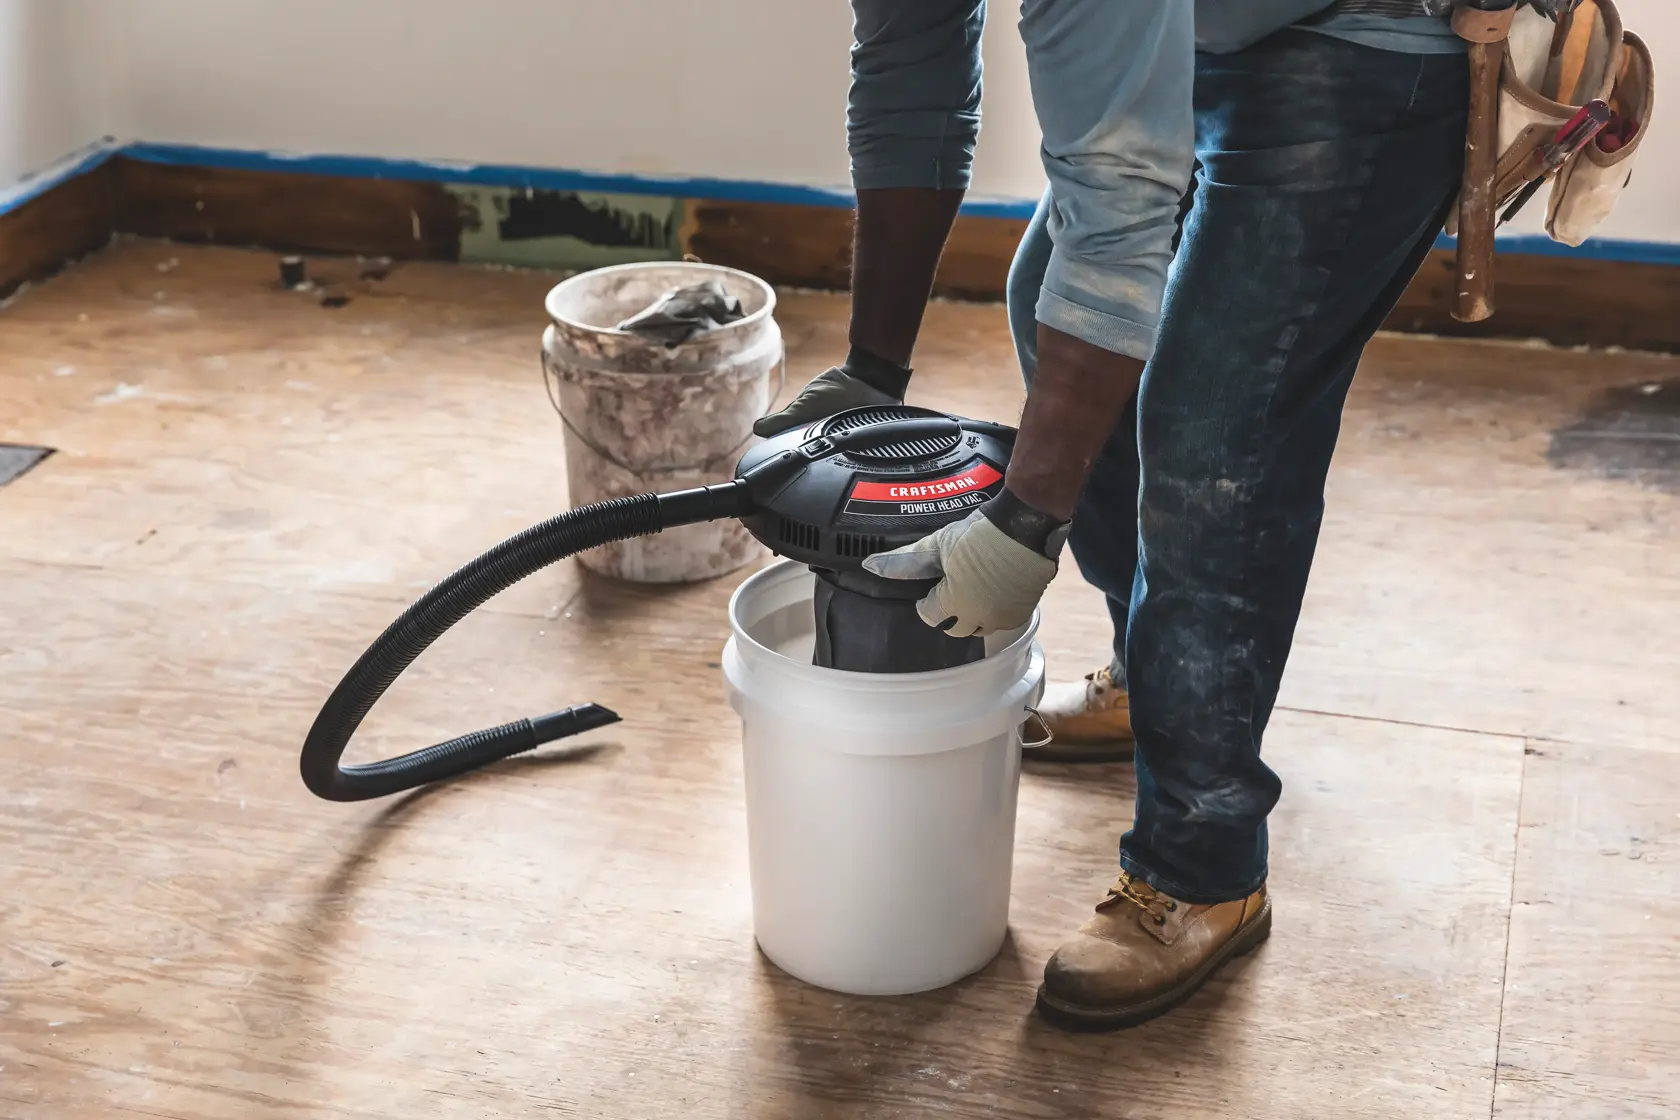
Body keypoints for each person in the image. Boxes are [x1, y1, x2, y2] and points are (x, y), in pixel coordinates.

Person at [754, 1, 1519, 1031]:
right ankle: (1152, 680)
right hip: (1225, 22)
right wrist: (872, 372)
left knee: (1217, 432)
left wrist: (1027, 519)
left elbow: (1120, 217)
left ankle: (1203, 864)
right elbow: (912, 74)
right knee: (1046, 303)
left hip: (1377, 39)